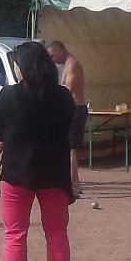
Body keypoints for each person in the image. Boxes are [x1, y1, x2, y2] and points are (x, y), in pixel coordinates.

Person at [0, 41, 76, 261]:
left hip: (16, 174)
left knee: (15, 235)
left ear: (23, 66)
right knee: (57, 236)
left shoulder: (8, 96)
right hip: (54, 174)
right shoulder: (63, 97)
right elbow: (68, 131)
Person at [47, 40, 89, 197]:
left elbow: (68, 89)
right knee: (67, 148)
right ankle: (71, 181)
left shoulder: (72, 64)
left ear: (60, 51)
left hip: (76, 109)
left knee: (71, 149)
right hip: (70, 109)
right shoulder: (65, 65)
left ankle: (74, 184)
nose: (52, 59)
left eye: (52, 55)